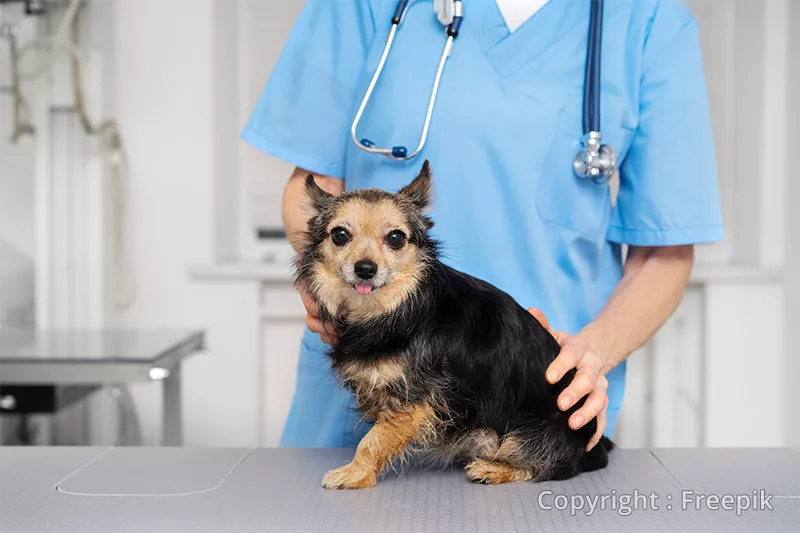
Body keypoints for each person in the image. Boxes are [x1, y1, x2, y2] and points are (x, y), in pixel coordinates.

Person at [242, 0, 724, 450]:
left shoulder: (648, 20)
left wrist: (590, 353)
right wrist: (319, 283)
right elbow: (312, 186)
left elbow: (664, 252)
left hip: (529, 386)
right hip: (368, 372)